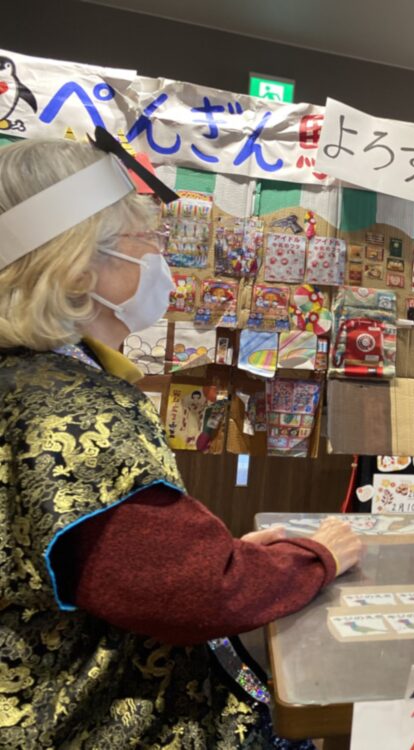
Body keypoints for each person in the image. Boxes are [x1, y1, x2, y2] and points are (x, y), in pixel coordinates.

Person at [0, 134, 363, 748]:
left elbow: (107, 562)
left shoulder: (28, 379)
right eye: (148, 241)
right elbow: (193, 594)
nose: (163, 260)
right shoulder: (75, 404)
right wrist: (317, 556)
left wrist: (216, 554)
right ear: (80, 264)